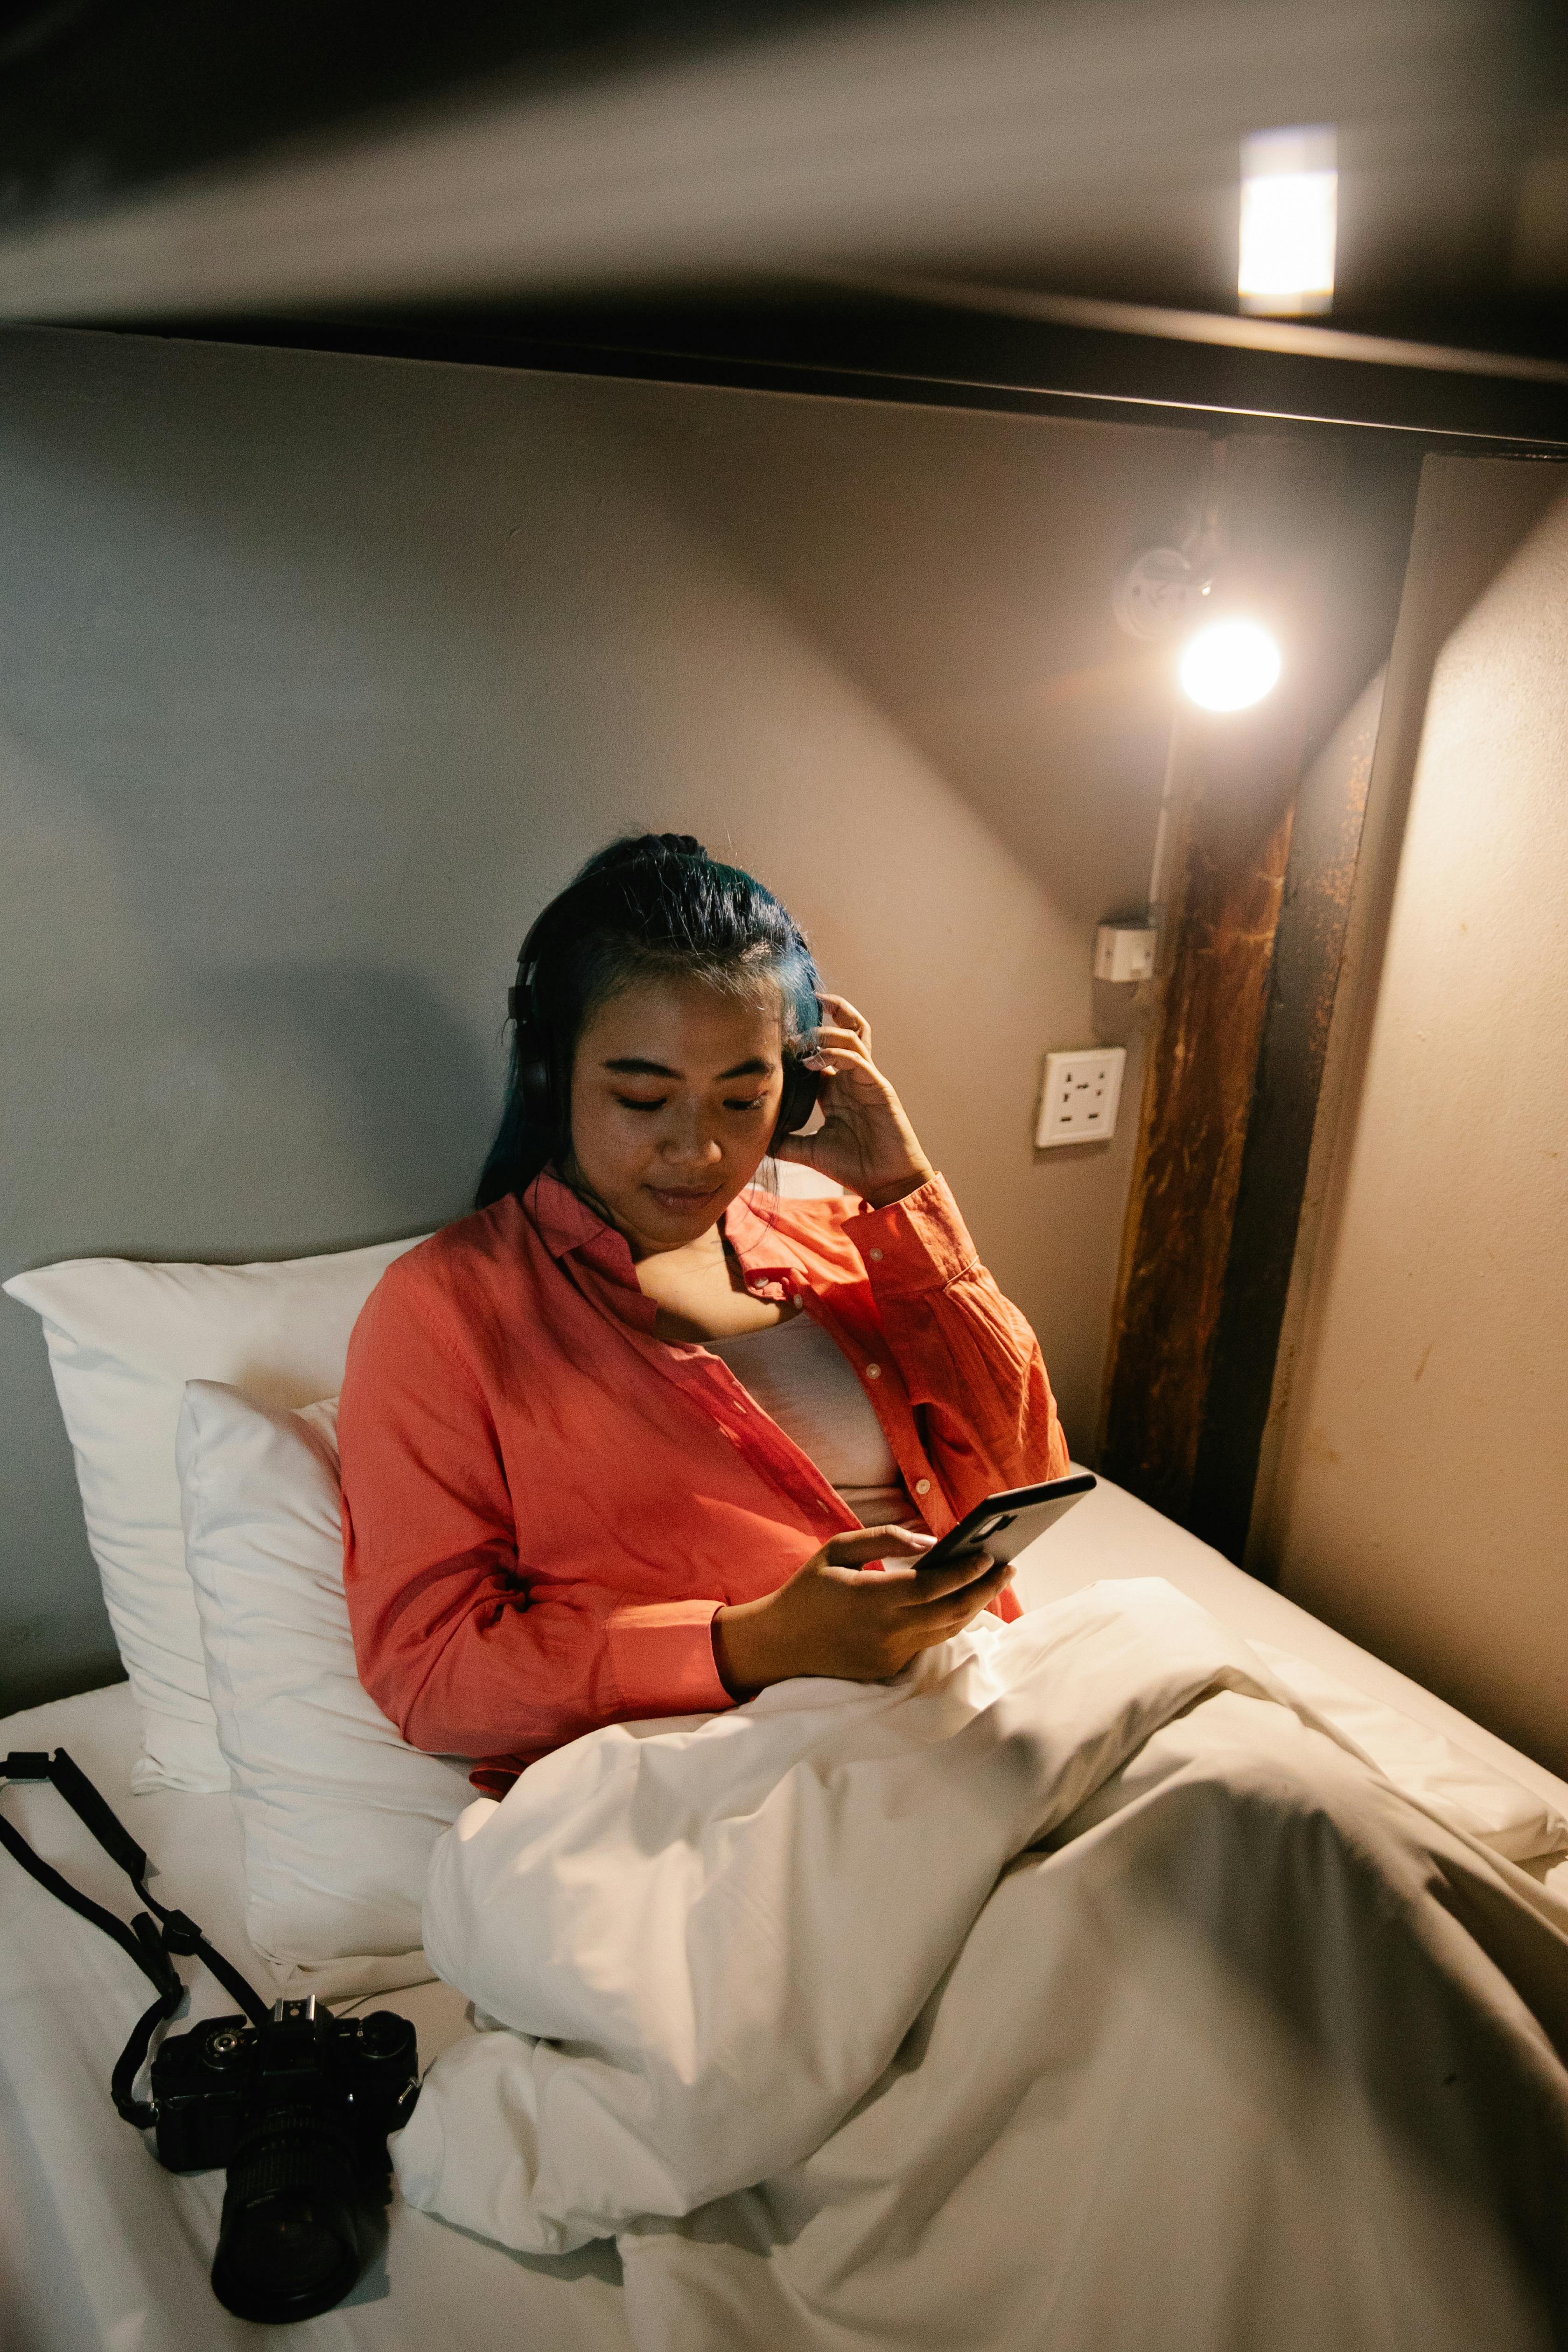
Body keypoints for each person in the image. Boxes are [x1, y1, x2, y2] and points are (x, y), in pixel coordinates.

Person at [338, 833, 1068, 1790]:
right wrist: (749, 1643)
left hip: (968, 1717)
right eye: (643, 1098)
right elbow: (430, 1674)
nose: (699, 1151)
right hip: (711, 1787)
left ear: (797, 1087)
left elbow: (1028, 1474)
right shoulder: (445, 1312)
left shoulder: (850, 1246)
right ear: (550, 1078)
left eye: (743, 1099)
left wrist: (905, 1194)